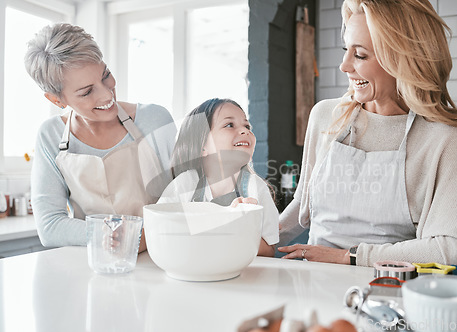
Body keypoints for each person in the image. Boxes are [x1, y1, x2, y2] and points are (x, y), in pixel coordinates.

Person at [278, 0, 457, 266]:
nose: (344, 66)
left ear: (403, 60)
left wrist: (351, 257)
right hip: (310, 286)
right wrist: (256, 237)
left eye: (360, 55)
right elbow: (302, 204)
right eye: (346, 50)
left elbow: (456, 250)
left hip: (388, 292)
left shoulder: (444, 139)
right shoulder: (325, 115)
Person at [25, 23, 176, 251]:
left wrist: (141, 239)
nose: (107, 93)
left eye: (106, 75)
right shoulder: (51, 135)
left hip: (162, 258)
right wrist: (112, 233)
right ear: (57, 100)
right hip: (93, 266)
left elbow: (185, 201)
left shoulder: (155, 120)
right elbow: (50, 226)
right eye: (86, 92)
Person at [158, 98, 279, 257]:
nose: (245, 131)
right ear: (202, 146)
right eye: (229, 125)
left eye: (247, 126)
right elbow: (160, 226)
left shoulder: (255, 189)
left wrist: (239, 226)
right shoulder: (185, 184)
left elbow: (269, 249)